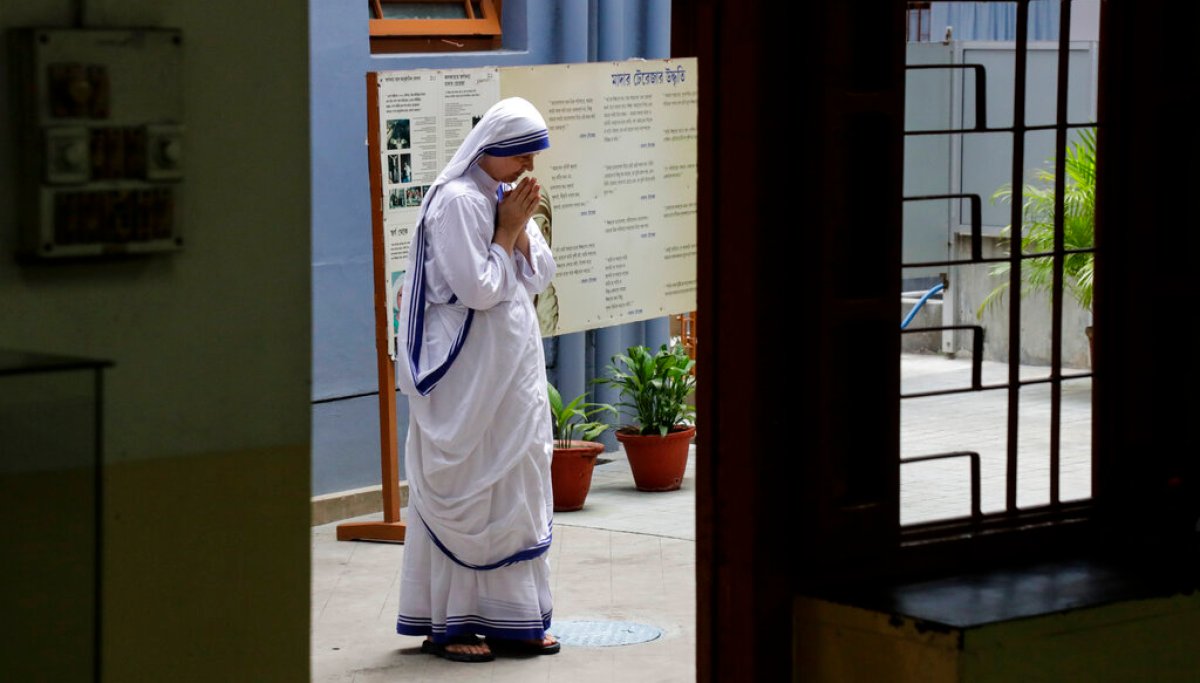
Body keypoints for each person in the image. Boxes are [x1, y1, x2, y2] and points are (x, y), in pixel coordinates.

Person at [393, 97, 559, 663]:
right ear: (492, 151)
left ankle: (515, 621)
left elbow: (538, 274)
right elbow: (479, 289)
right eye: (521, 157)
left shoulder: (498, 196)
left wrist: (517, 224)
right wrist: (508, 229)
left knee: (517, 476)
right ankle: (454, 623)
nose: (527, 169)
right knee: (472, 482)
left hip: (510, 368)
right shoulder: (460, 202)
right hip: (468, 376)